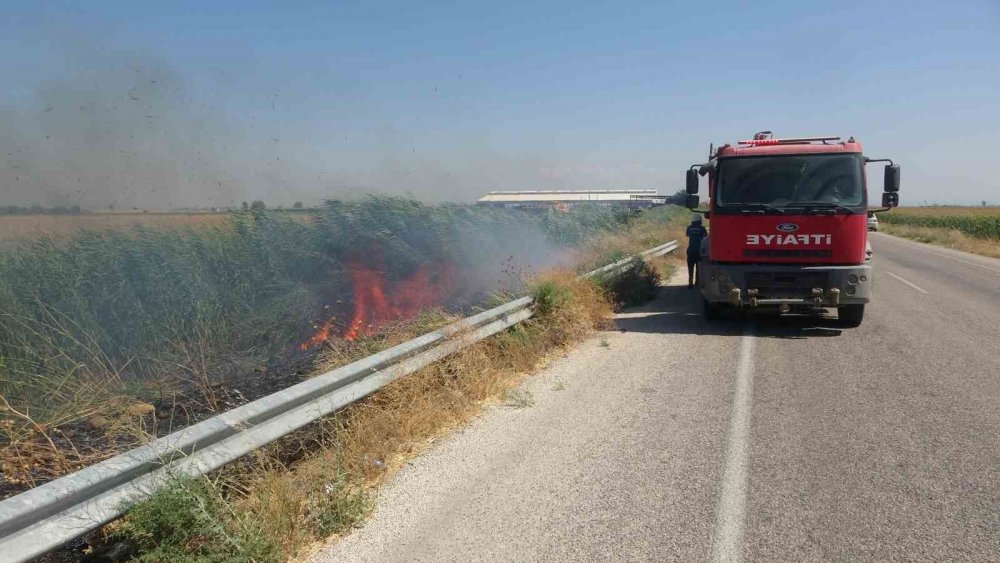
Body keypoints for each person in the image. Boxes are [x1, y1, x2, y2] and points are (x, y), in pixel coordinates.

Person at [685, 214, 707, 287]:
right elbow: (705, 237)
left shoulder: (689, 228)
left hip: (690, 249)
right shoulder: (702, 228)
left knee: (690, 267)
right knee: (699, 267)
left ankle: (690, 283)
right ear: (700, 220)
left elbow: (687, 235)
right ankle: (697, 282)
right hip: (699, 250)